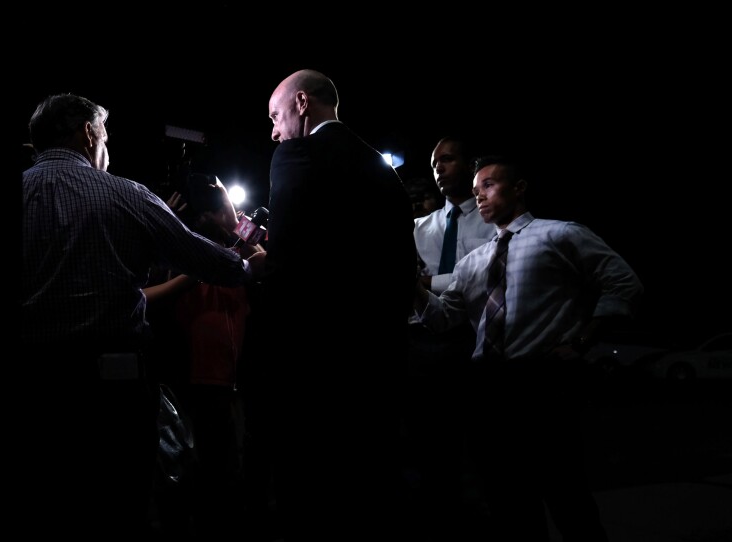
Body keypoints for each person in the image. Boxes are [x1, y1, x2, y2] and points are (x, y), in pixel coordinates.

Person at [19, 93, 265, 539]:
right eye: (105, 135)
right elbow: (198, 255)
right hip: (110, 389)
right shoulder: (122, 193)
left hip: (34, 384)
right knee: (117, 504)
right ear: (89, 133)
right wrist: (247, 265)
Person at [412, 155, 643, 541]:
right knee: (509, 501)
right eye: (475, 191)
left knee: (566, 494)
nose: (479, 197)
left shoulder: (561, 234)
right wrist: (412, 288)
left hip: (542, 381)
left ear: (519, 187)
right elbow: (441, 319)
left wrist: (584, 340)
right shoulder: (473, 263)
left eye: (488, 185)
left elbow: (623, 283)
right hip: (488, 387)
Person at [260, 69, 417, 540]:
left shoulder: (295, 155)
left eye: (275, 115)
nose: (274, 130)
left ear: (302, 103)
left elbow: (289, 264)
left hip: (315, 362)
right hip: (378, 356)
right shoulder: (380, 167)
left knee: (311, 491)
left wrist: (260, 262)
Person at [143, 177, 263, 540]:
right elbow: (146, 296)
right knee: (208, 473)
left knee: (229, 469)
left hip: (233, 381)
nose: (237, 210)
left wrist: (246, 232)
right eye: (228, 204)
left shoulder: (239, 253)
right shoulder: (187, 256)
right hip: (196, 383)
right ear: (209, 214)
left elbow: (271, 262)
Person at [403, 136, 496, 538]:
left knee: (481, 446)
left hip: (476, 341)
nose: (440, 167)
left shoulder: (494, 218)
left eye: (449, 159)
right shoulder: (420, 227)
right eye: (435, 162)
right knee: (428, 445)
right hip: (423, 343)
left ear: (471, 163)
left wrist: (428, 280)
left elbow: (488, 273)